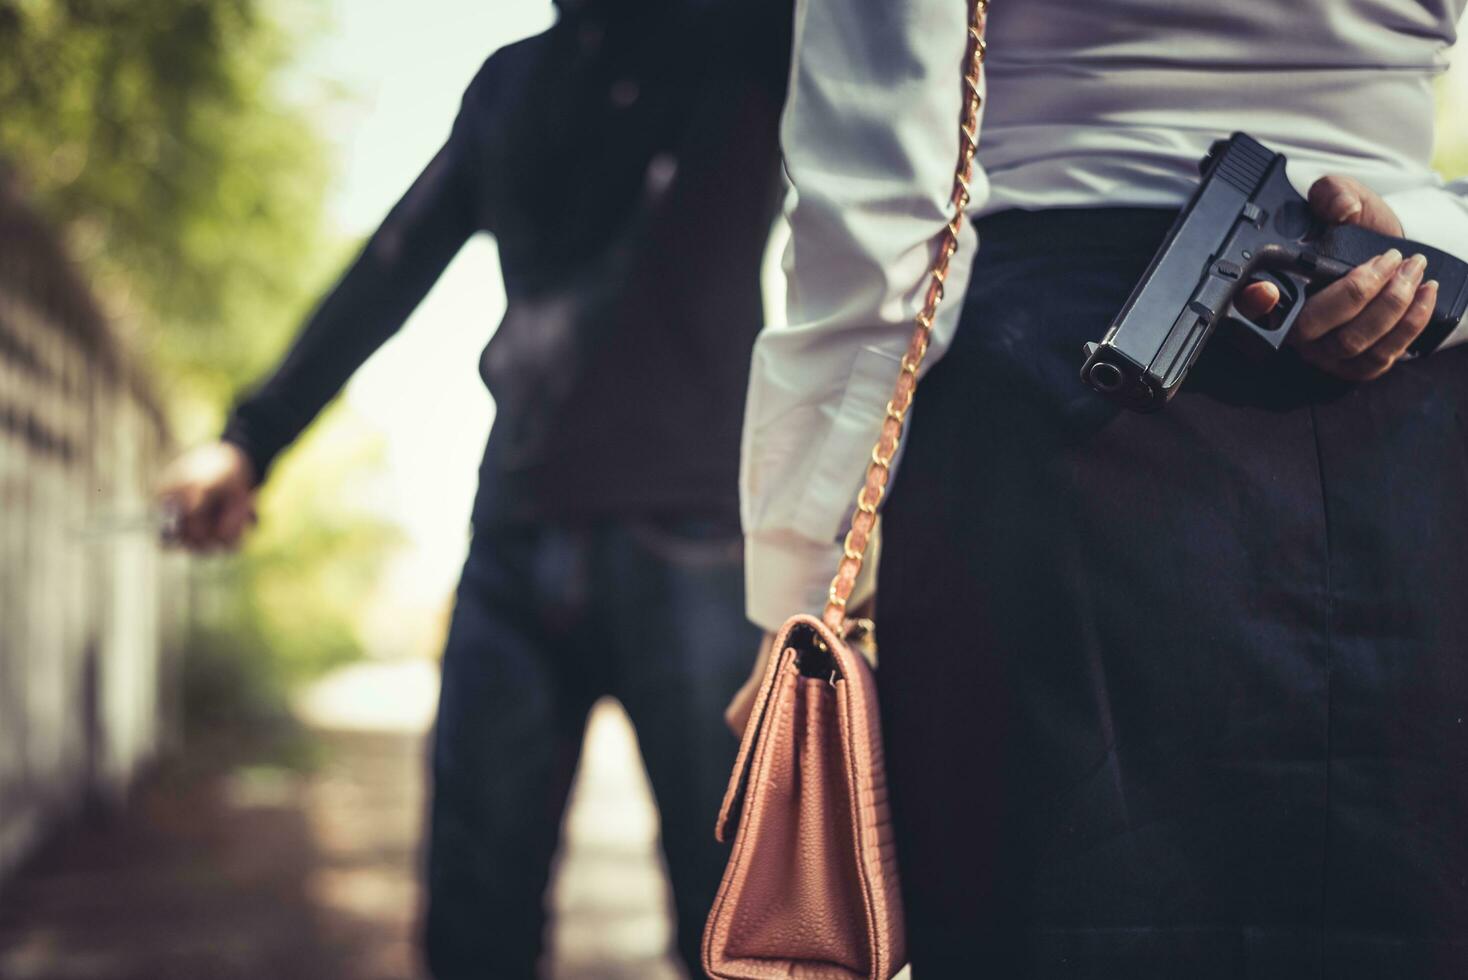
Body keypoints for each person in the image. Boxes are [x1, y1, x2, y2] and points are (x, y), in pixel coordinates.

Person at [737, 0, 1468, 976]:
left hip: (1049, 408)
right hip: (1407, 412)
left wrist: (800, 582)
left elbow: (874, 202)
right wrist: (1420, 250)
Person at [160, 0, 791, 974]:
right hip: (515, 541)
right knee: (471, 926)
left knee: (740, 932)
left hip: (698, 540)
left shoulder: (750, 38)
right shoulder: (506, 83)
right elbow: (391, 264)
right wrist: (250, 441)